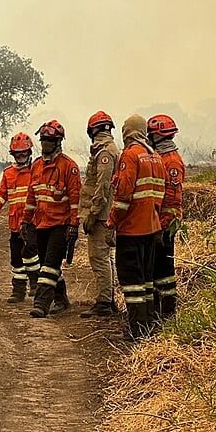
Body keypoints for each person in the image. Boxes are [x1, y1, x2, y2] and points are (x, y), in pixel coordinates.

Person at [106, 114, 166, 340]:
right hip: (151, 228)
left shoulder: (130, 155)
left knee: (132, 283)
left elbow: (123, 195)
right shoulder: (156, 157)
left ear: (127, 131)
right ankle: (148, 325)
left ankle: (136, 329)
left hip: (131, 229)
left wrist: (111, 223)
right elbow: (160, 195)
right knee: (147, 281)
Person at [22, 120, 81, 318]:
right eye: (43, 140)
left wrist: (73, 225)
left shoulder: (69, 167)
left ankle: (41, 304)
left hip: (60, 225)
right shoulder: (36, 166)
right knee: (49, 265)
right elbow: (31, 197)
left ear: (58, 142)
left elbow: (75, 200)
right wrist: (25, 221)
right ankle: (61, 299)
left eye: (49, 140)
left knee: (49, 266)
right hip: (41, 224)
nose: (45, 143)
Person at [79, 111, 120, 318]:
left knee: (99, 258)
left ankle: (104, 303)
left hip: (101, 216)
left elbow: (102, 187)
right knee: (106, 258)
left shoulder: (105, 153)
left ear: (91, 131)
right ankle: (108, 299)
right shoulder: (108, 149)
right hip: (105, 214)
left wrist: (92, 214)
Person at [0, 132, 39, 303]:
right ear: (13, 154)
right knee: (16, 259)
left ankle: (35, 283)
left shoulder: (36, 171)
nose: (20, 156)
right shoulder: (8, 173)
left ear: (29, 152)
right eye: (17, 153)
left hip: (32, 222)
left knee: (30, 252)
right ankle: (18, 291)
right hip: (15, 224)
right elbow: (2, 194)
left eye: (23, 153)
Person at [147, 114, 185, 321]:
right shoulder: (160, 158)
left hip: (165, 223)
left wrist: (162, 226)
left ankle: (167, 311)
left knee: (164, 269)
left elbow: (171, 200)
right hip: (157, 222)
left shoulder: (171, 162)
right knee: (155, 267)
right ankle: (156, 310)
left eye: (151, 135)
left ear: (158, 136)